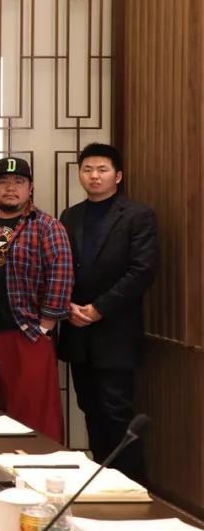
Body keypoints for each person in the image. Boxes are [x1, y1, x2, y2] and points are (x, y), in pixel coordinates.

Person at [58, 143, 158, 479]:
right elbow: (61, 268)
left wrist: (99, 309)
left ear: (118, 176)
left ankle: (131, 487)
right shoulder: (70, 216)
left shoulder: (137, 216)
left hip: (115, 333)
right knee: (89, 410)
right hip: (78, 331)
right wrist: (66, 304)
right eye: (87, 169)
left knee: (116, 414)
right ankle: (101, 483)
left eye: (102, 169)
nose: (94, 176)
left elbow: (141, 271)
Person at [0, 157, 72, 441]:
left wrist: (45, 327)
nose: (11, 188)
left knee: (32, 416)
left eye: (18, 182)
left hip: (26, 333)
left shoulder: (46, 225)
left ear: (31, 187)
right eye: (3, 181)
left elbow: (61, 275)